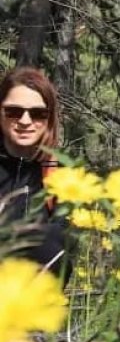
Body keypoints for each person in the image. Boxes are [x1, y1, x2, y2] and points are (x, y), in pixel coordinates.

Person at [0, 67, 67, 275]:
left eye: (37, 114)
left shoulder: (59, 177)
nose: (25, 121)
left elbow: (60, 253)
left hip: (31, 298)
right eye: (14, 111)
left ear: (49, 119)